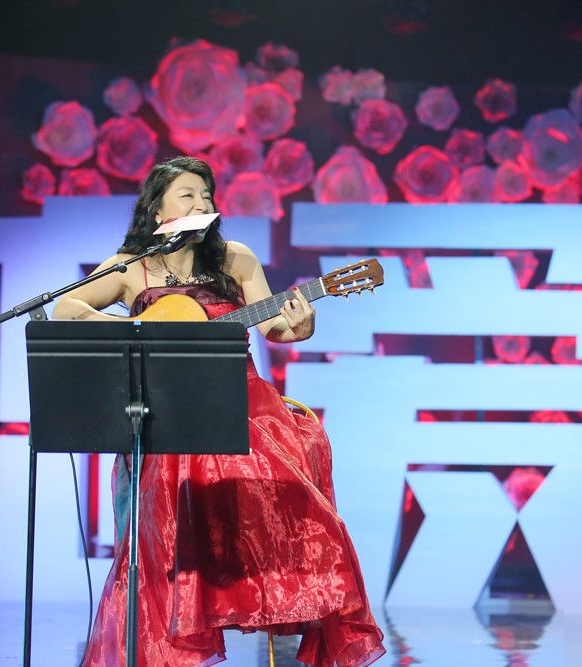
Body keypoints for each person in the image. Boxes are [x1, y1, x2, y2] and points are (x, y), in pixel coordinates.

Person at [53, 156, 386, 667]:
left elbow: (277, 327)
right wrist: (135, 330)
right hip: (169, 411)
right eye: (186, 194)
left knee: (291, 480)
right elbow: (67, 309)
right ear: (157, 208)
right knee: (165, 517)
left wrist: (301, 324)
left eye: (206, 194)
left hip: (241, 403)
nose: (200, 202)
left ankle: (285, 593)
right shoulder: (131, 267)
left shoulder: (236, 259)